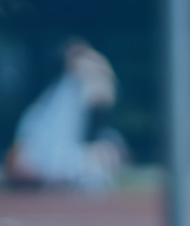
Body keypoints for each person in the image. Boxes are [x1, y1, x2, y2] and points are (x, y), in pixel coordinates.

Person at [5, 39, 123, 190]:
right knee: (100, 157)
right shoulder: (64, 92)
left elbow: (104, 95)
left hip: (54, 159)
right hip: (51, 161)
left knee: (107, 149)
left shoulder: (62, 92)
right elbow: (104, 94)